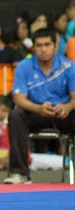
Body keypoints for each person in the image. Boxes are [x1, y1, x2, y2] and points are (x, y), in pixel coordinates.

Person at [4, 28, 75, 184]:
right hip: (36, 111)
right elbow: (18, 98)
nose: (43, 49)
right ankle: (19, 173)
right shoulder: (24, 66)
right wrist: (38, 109)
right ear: (34, 47)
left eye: (47, 45)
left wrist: (67, 107)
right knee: (16, 115)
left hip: (62, 113)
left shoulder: (69, 66)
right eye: (39, 45)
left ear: (55, 46)